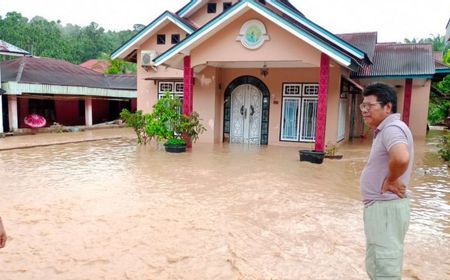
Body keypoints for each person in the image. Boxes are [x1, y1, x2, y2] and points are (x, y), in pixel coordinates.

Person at [359, 83, 413, 279]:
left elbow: (401, 157)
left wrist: (391, 180)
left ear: (387, 107)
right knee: (378, 263)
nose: (364, 110)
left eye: (369, 105)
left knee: (385, 267)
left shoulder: (391, 128)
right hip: (382, 209)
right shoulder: (386, 129)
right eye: (362, 106)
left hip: (386, 210)